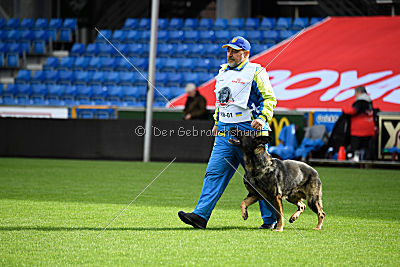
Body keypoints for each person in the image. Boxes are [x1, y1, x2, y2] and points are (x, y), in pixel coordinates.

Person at [178, 36, 277, 229]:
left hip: (250, 131)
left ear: (245, 53)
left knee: (259, 177)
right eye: (228, 50)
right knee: (213, 173)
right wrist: (217, 121)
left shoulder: (256, 71)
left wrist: (262, 118)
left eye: (234, 51)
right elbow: (221, 101)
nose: (230, 54)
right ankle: (200, 216)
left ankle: (270, 220)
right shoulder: (223, 72)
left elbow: (269, 98)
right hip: (224, 132)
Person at [342, 86, 375, 161]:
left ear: (359, 92)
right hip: (369, 129)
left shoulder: (360, 101)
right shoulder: (369, 101)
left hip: (359, 131)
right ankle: (367, 164)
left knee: (355, 149)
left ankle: (355, 164)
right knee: (367, 149)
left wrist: (344, 109)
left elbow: (353, 111)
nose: (354, 95)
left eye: (355, 93)